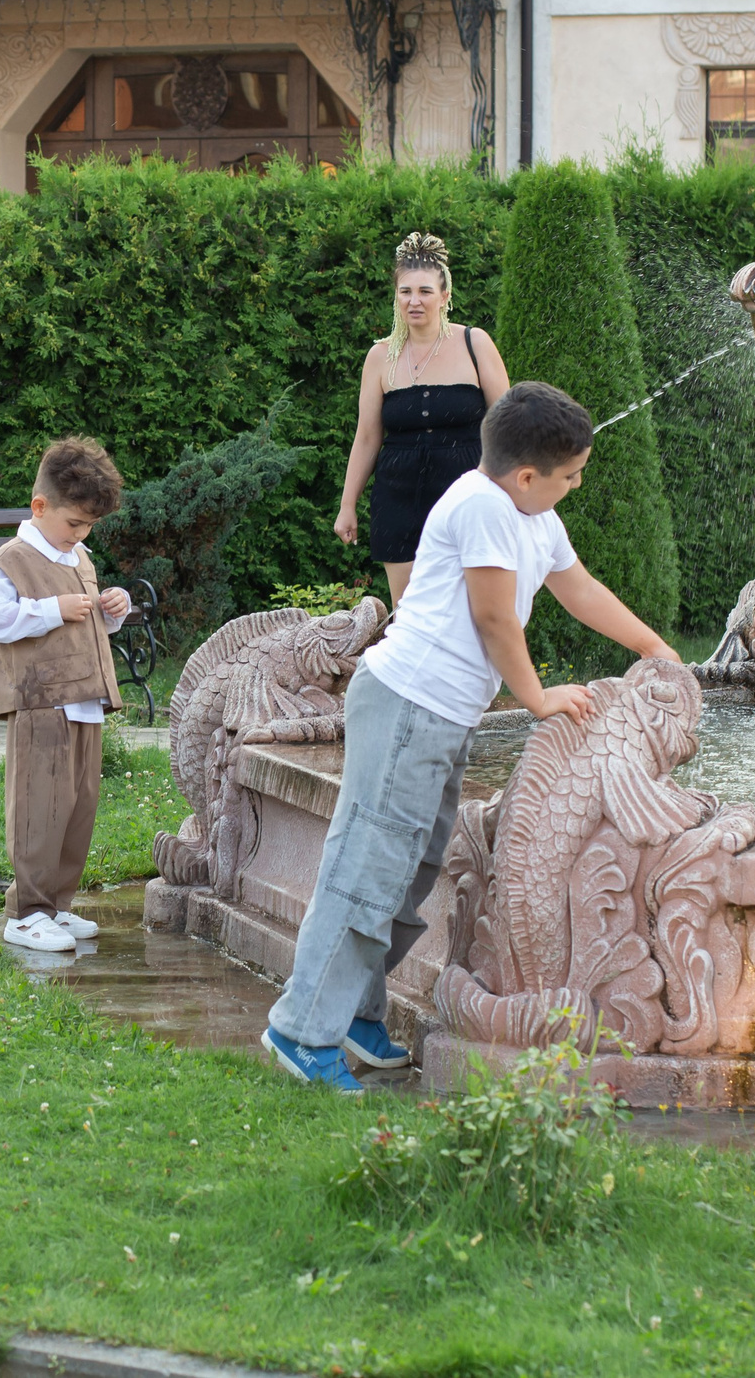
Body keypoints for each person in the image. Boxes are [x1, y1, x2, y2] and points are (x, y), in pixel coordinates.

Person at [265, 382, 679, 1091]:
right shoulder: (484, 505)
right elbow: (494, 619)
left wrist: (654, 648)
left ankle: (356, 1013)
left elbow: (578, 588)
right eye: (570, 474)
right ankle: (301, 1030)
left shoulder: (531, 515)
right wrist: (537, 697)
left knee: (413, 869)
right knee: (368, 869)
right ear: (527, 475)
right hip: (406, 705)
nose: (576, 484)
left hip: (440, 714)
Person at [0, 436, 134, 954]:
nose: (81, 535)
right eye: (74, 524)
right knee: (40, 806)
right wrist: (49, 609)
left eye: (88, 527)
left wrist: (113, 609)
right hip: (41, 704)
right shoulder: (13, 560)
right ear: (40, 507)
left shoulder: (76, 557)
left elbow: (89, 629)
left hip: (84, 703)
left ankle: (58, 907)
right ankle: (26, 913)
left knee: (77, 806)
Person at [333, 232, 513, 606]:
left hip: (468, 498)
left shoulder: (474, 344)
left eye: (425, 291)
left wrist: (516, 490)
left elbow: (508, 425)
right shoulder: (380, 357)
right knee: (409, 613)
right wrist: (347, 504)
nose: (414, 301)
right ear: (396, 296)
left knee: (474, 612)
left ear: (445, 296)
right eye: (405, 292)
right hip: (398, 500)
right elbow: (367, 437)